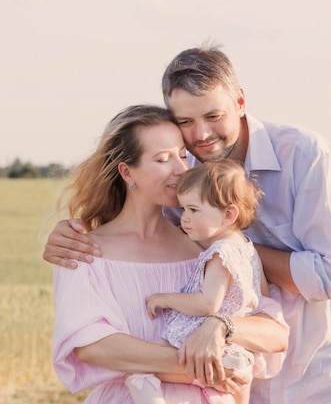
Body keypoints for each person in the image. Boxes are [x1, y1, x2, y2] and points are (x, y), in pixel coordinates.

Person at [44, 44, 331, 404]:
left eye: (213, 115)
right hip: (242, 388)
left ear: (240, 102)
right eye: (186, 123)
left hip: (324, 378)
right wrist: (68, 233)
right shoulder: (185, 186)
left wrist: (229, 251)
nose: (201, 135)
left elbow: (330, 279)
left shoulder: (306, 156)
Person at [51, 105, 288, 404]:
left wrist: (220, 326)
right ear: (127, 172)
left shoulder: (209, 247)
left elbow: (275, 333)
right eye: (163, 159)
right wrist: (206, 368)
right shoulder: (84, 251)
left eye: (181, 154)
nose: (180, 169)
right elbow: (92, 346)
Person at [126, 159, 270, 404]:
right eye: (183, 210)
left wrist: (165, 299)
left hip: (211, 347)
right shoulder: (246, 247)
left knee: (139, 368)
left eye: (194, 210)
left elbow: (207, 303)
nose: (185, 218)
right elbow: (261, 295)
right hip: (238, 350)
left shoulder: (220, 254)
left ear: (228, 214)